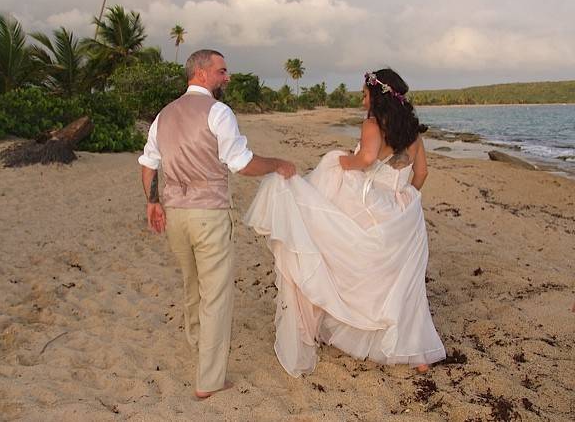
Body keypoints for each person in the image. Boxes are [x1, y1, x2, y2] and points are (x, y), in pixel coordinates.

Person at [244, 68, 445, 377]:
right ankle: (418, 354)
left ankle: (347, 320)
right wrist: (403, 201)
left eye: (364, 94)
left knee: (339, 254)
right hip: (406, 215)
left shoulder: (373, 124)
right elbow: (422, 174)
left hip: (374, 205)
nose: (362, 98)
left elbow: (365, 160)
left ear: (376, 96)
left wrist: (339, 160)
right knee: (407, 285)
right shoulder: (414, 133)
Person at [139, 49, 296, 399]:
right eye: (222, 71)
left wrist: (152, 201)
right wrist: (276, 164)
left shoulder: (163, 115)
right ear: (201, 72)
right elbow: (240, 163)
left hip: (175, 214)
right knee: (216, 296)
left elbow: (149, 163)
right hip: (208, 214)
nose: (227, 77)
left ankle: (198, 344)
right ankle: (209, 380)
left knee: (191, 284)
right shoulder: (218, 112)